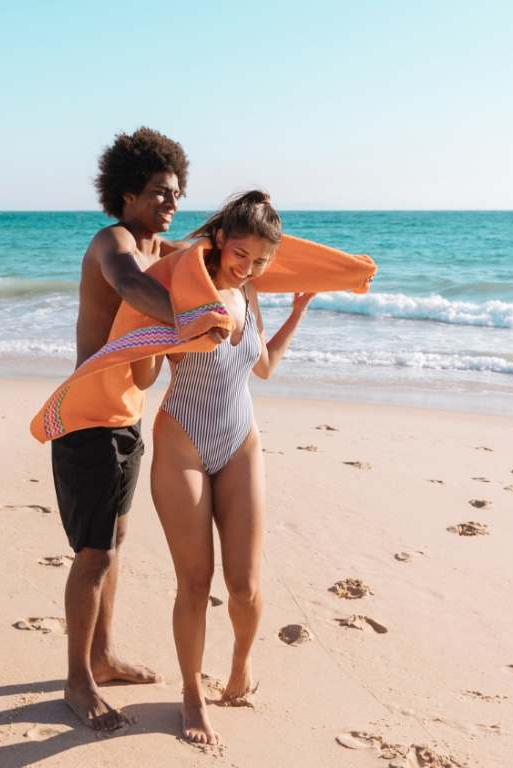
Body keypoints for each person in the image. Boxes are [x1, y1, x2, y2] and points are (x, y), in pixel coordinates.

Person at [131, 190, 316, 745]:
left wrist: (298, 312)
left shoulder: (252, 293)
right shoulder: (182, 287)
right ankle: (191, 694)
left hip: (240, 442)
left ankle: (239, 668)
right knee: (195, 582)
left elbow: (264, 368)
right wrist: (159, 329)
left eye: (261, 260)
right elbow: (143, 375)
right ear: (219, 241)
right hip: (183, 441)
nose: (249, 266)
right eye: (242, 255)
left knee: (245, 584)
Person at [53, 126, 210, 732]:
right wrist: (198, 317)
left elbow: (223, 256)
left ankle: (102, 655)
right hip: (88, 420)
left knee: (114, 543)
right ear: (125, 194)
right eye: (157, 192)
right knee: (93, 554)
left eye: (175, 192)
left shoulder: (160, 248)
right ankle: (77, 681)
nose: (170, 202)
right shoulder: (114, 242)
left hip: (125, 419)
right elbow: (131, 286)